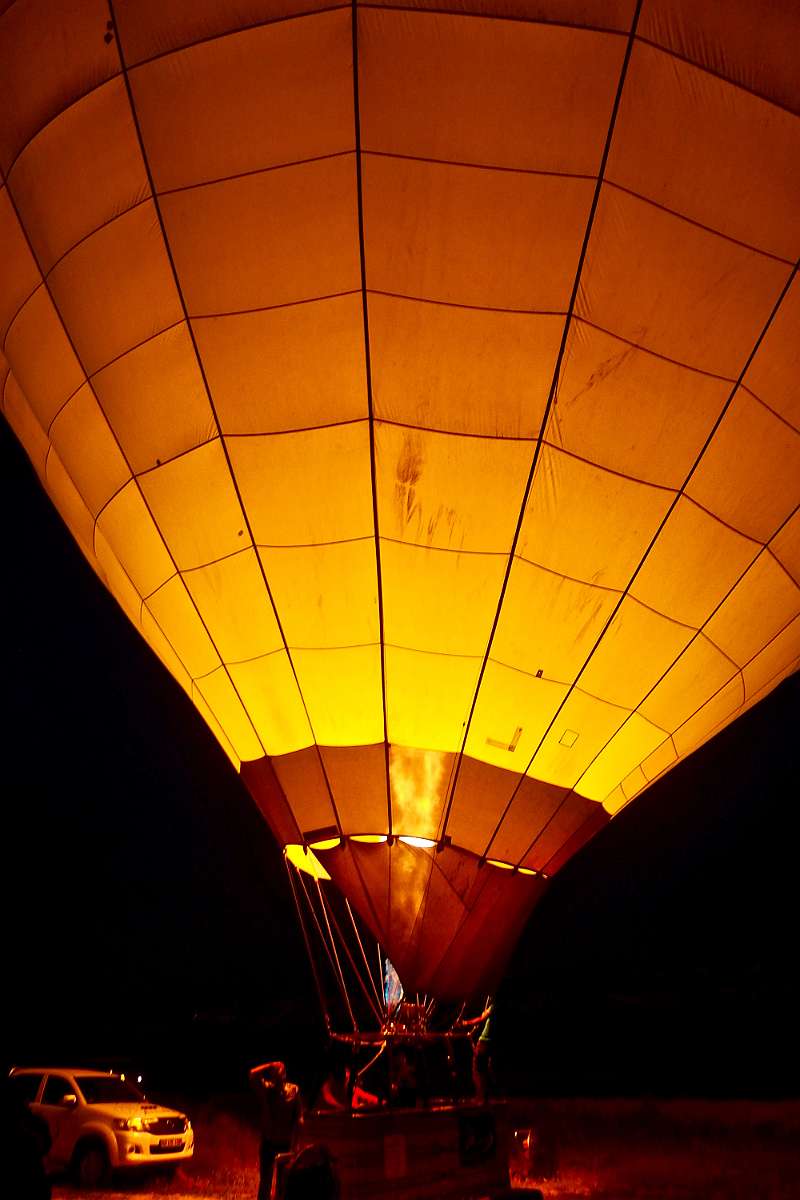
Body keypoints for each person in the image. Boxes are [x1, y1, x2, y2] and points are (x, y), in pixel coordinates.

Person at [249, 1061, 302, 1200]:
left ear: (284, 1075)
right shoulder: (267, 1089)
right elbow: (252, 1074)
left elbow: (299, 1120)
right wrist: (270, 1064)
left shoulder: (293, 1090)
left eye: (278, 1073)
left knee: (282, 1183)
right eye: (273, 1074)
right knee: (265, 1182)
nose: (276, 1077)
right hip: (268, 1142)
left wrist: (295, 1145)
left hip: (284, 1144)